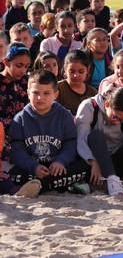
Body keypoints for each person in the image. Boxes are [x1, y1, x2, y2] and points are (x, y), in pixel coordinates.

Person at [8, 70, 90, 198]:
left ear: (55, 94)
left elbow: (71, 143)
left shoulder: (64, 115)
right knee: (14, 174)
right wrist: (33, 166)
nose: (40, 98)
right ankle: (62, 184)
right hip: (33, 167)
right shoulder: (20, 119)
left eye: (46, 93)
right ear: (28, 93)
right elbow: (16, 149)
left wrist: (61, 161)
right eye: (35, 93)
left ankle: (40, 186)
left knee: (85, 167)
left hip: (58, 167)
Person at [57, 50, 98, 115]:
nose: (76, 75)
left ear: (87, 70)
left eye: (81, 71)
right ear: (65, 69)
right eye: (72, 71)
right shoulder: (57, 89)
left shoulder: (93, 92)